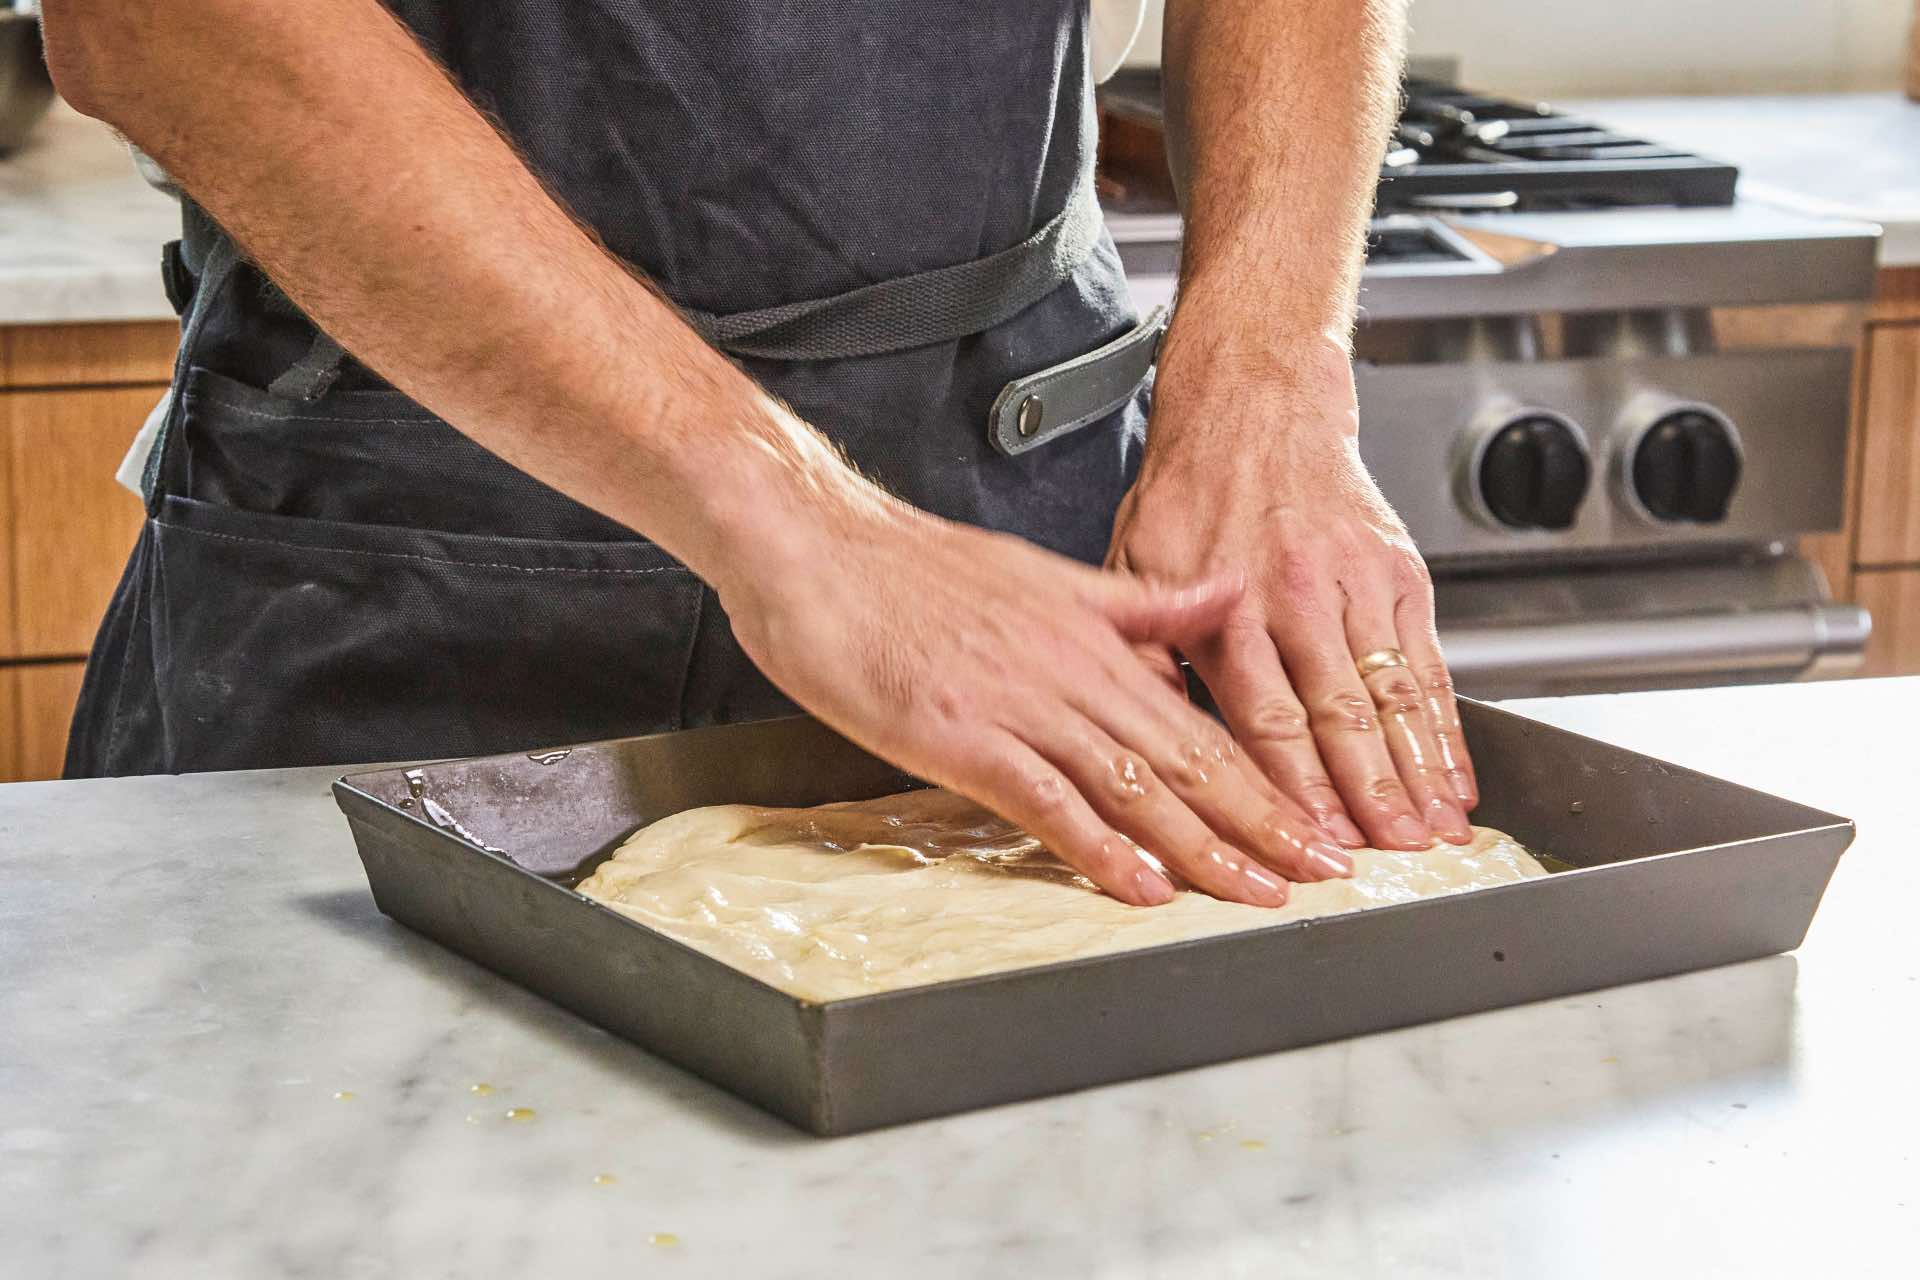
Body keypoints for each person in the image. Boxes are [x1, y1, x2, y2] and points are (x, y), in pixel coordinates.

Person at [43, 0, 1477, 908]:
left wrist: (1269, 368)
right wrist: (792, 517)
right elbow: (163, 22)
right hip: (415, 538)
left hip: (1031, 495)